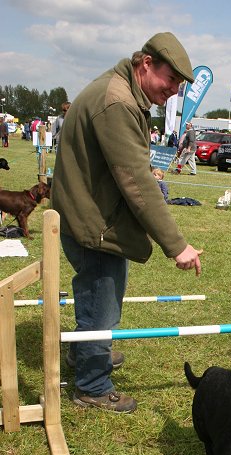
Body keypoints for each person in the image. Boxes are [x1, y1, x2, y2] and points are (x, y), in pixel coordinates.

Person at [51, 31, 203, 413]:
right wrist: (177, 245)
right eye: (170, 80)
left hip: (89, 216)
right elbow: (134, 182)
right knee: (101, 305)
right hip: (93, 225)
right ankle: (92, 385)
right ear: (145, 64)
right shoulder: (117, 101)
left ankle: (85, 353)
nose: (172, 90)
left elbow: (122, 163)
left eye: (178, 86)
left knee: (98, 297)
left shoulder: (119, 90)